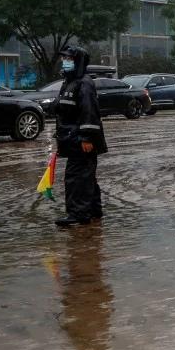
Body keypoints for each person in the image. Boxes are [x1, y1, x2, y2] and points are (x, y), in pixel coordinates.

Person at [54, 46, 107, 227]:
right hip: (71, 139)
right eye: (64, 58)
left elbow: (89, 112)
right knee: (86, 176)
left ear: (78, 61)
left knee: (76, 177)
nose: (65, 61)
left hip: (81, 140)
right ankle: (93, 210)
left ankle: (79, 213)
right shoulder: (69, 82)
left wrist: (86, 138)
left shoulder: (84, 83)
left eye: (69, 58)